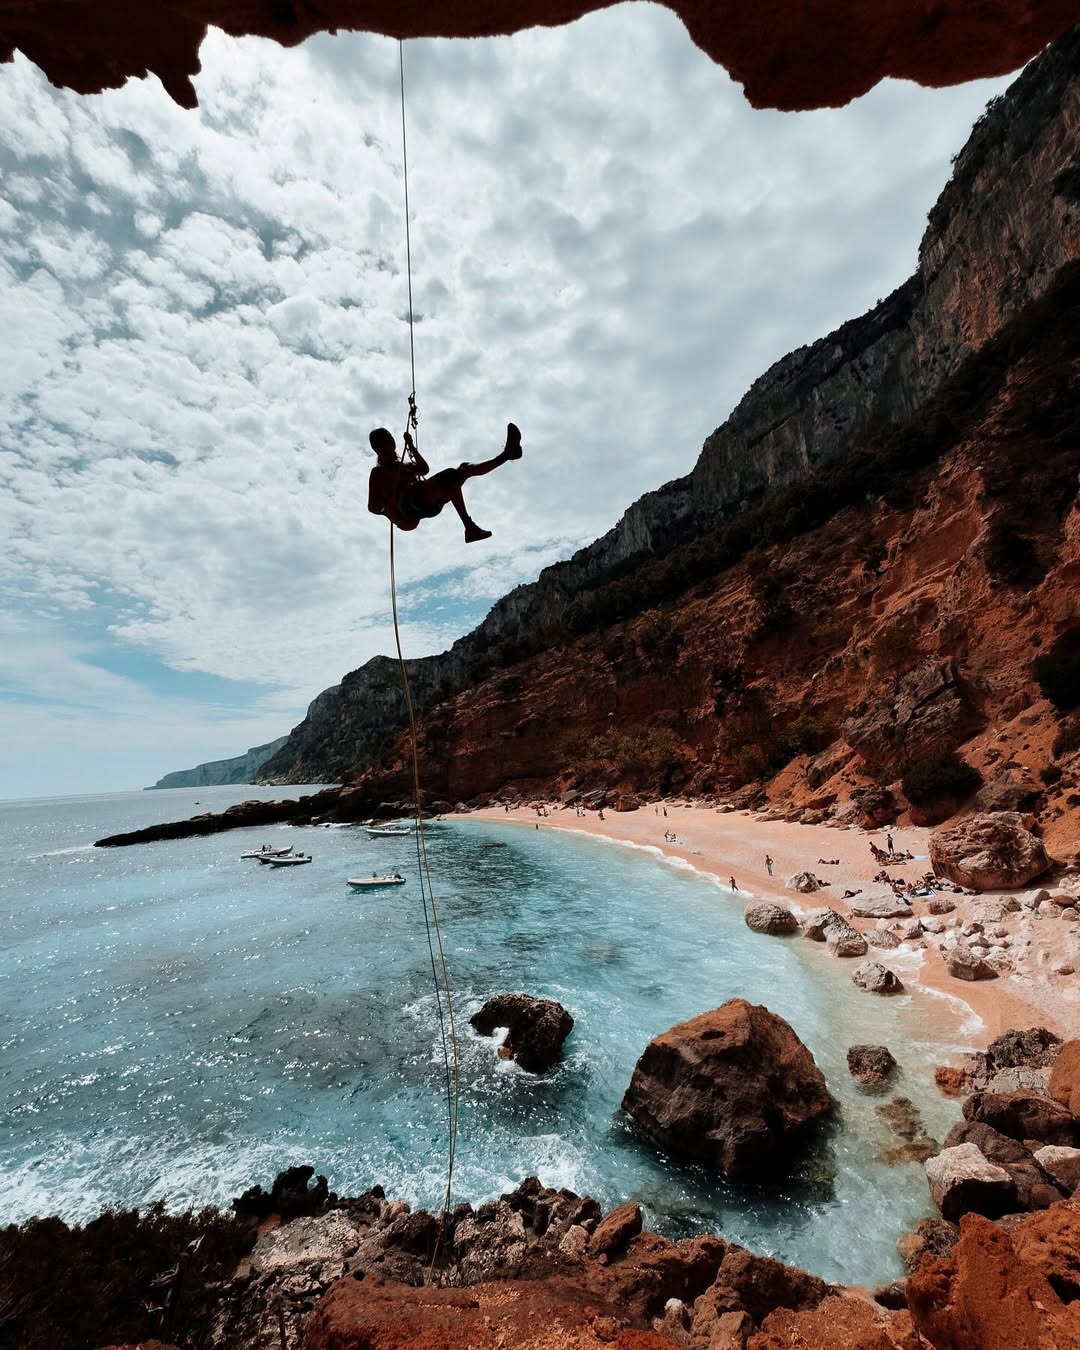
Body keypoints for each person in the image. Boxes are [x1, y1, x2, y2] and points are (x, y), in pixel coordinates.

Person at [367, 423, 522, 542]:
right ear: (377, 449)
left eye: (389, 441)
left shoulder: (405, 466)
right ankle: (469, 527)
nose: (388, 445)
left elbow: (424, 469)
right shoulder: (378, 473)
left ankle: (506, 455)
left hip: (426, 503)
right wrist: (389, 511)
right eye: (383, 444)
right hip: (408, 506)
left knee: (463, 469)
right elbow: (372, 506)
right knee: (450, 476)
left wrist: (411, 447)